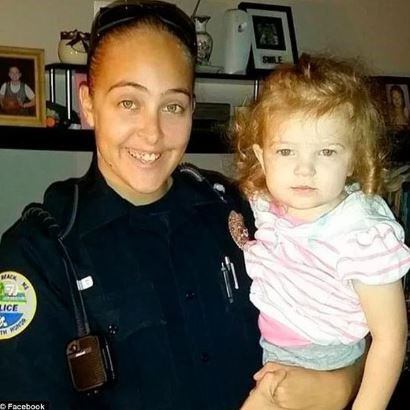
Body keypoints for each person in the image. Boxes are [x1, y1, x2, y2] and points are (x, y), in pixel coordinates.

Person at [0, 2, 364, 409]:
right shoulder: (39, 255)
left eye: (172, 106)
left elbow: (344, 318)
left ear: (192, 107)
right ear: (88, 103)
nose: (152, 133)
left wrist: (342, 383)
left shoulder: (241, 213)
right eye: (128, 103)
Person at [232, 54, 409, 410]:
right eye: (286, 151)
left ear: (354, 158)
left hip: (324, 357)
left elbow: (391, 337)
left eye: (326, 151)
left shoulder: (360, 233)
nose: (304, 169)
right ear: (262, 158)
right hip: (272, 350)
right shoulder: (269, 203)